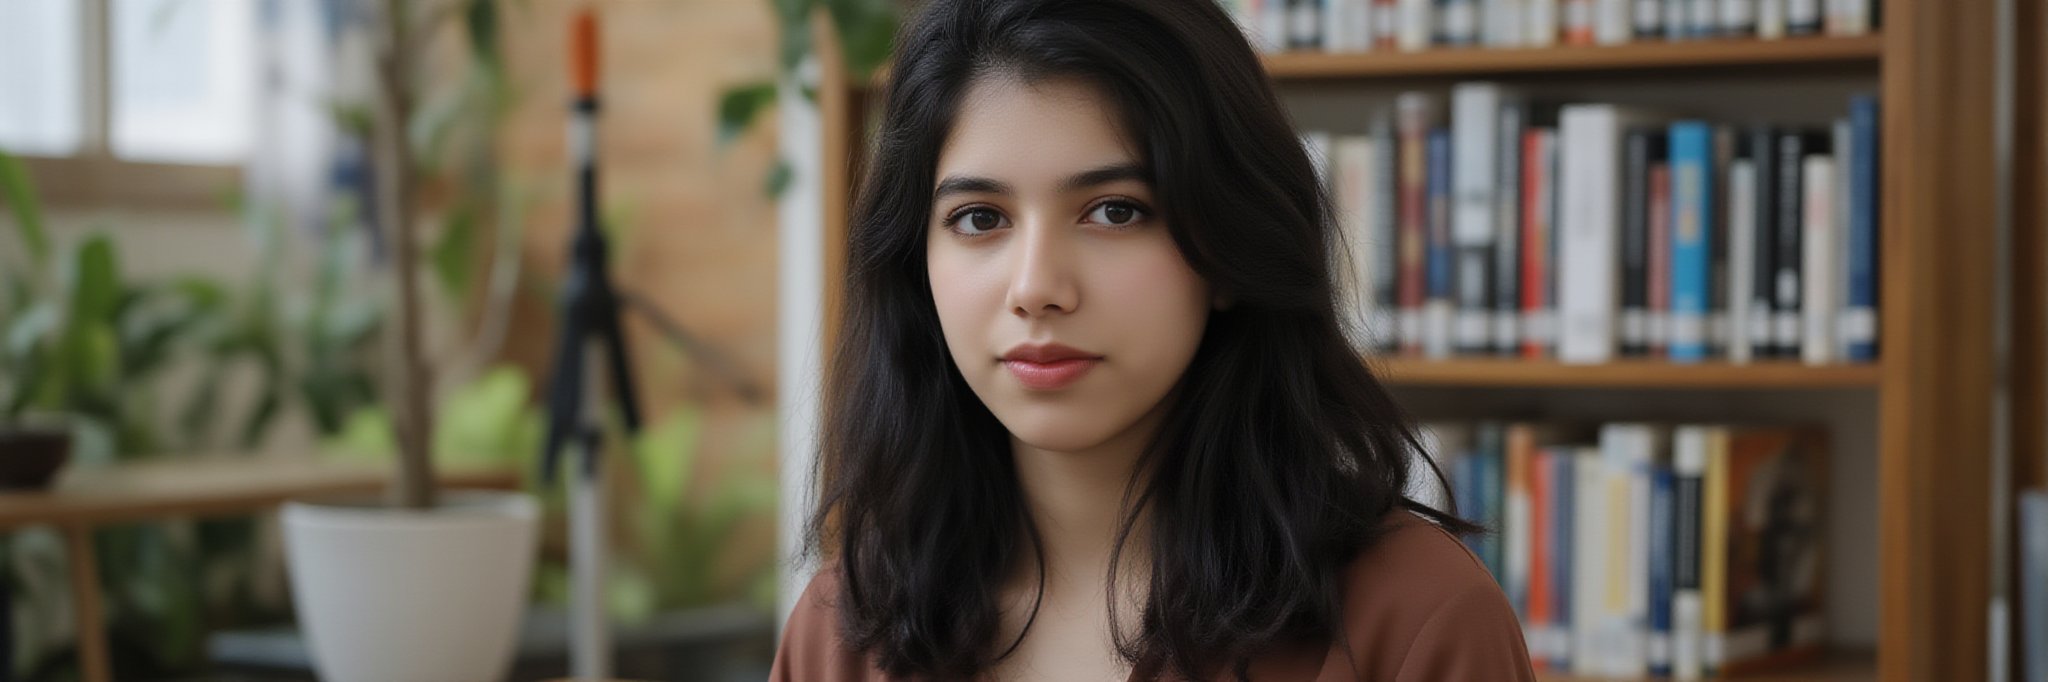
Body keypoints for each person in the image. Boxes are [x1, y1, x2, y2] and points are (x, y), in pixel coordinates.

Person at [771, 0, 1535, 679]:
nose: (1036, 286)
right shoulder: (840, 632)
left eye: (1114, 211)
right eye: (980, 218)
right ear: (918, 265)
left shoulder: (1415, 618)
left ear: (1230, 250)